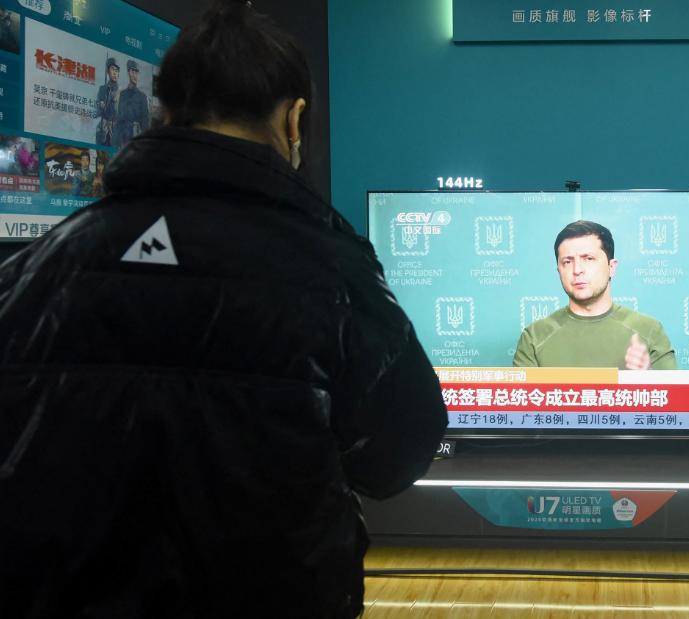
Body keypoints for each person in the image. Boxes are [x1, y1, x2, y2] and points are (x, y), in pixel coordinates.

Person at [0, 2, 447, 618]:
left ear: (164, 112)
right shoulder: (334, 269)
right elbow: (400, 451)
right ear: (294, 121)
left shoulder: (38, 265)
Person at [513, 220, 676, 369]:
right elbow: (524, 400)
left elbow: (677, 398)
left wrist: (648, 379)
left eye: (589, 259)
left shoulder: (649, 330)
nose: (577, 270)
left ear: (612, 267)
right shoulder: (534, 337)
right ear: (559, 271)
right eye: (567, 262)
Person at [115, 58, 150, 146]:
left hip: (135, 138)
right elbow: (119, 119)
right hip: (123, 138)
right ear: (128, 72)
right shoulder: (122, 94)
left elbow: (145, 122)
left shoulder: (142, 97)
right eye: (132, 71)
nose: (134, 75)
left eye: (136, 72)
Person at [95, 57, 120, 146]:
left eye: (117, 70)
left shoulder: (121, 92)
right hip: (103, 129)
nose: (115, 73)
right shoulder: (102, 89)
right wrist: (100, 105)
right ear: (108, 71)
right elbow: (96, 112)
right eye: (112, 69)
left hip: (116, 131)